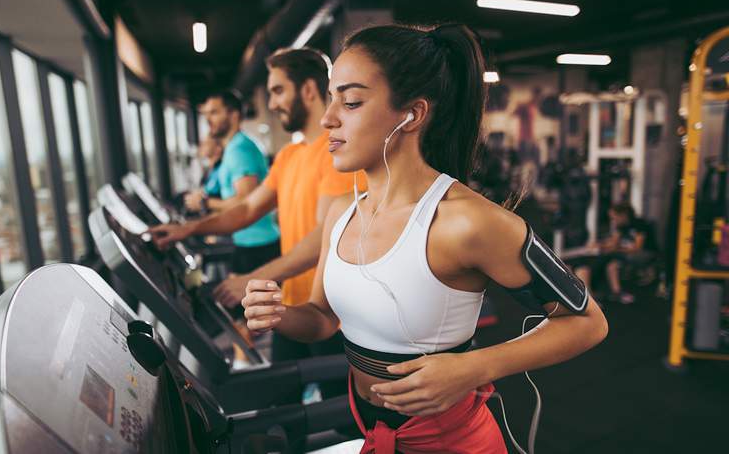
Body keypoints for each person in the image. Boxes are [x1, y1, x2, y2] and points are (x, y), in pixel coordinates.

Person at [243, 24, 608, 452]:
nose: (328, 119)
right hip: (375, 433)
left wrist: (474, 368)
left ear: (412, 114)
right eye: (331, 98)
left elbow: (588, 322)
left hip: (453, 441)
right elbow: (323, 318)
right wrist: (280, 315)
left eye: (352, 101)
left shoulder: (466, 221)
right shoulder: (343, 212)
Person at [149, 48, 364, 400]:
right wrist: (188, 229)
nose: (273, 102)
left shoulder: (336, 152)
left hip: (331, 314)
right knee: (281, 409)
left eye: (279, 90)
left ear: (309, 89)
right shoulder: (289, 156)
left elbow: (325, 237)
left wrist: (254, 277)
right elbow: (247, 208)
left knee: (344, 421)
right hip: (291, 307)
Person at [184, 90, 281, 274]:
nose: (207, 119)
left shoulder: (240, 150)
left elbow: (246, 202)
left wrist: (204, 202)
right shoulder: (233, 147)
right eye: (206, 114)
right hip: (248, 240)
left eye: (214, 112)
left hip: (257, 244)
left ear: (234, 115)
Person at [574, 202, 654, 304]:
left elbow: (637, 248)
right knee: (611, 263)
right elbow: (614, 242)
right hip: (625, 253)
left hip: (644, 253)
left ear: (623, 215)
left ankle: (592, 287)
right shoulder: (621, 226)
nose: (613, 221)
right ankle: (614, 292)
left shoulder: (639, 224)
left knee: (607, 257)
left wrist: (613, 249)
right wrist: (600, 245)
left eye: (615, 218)